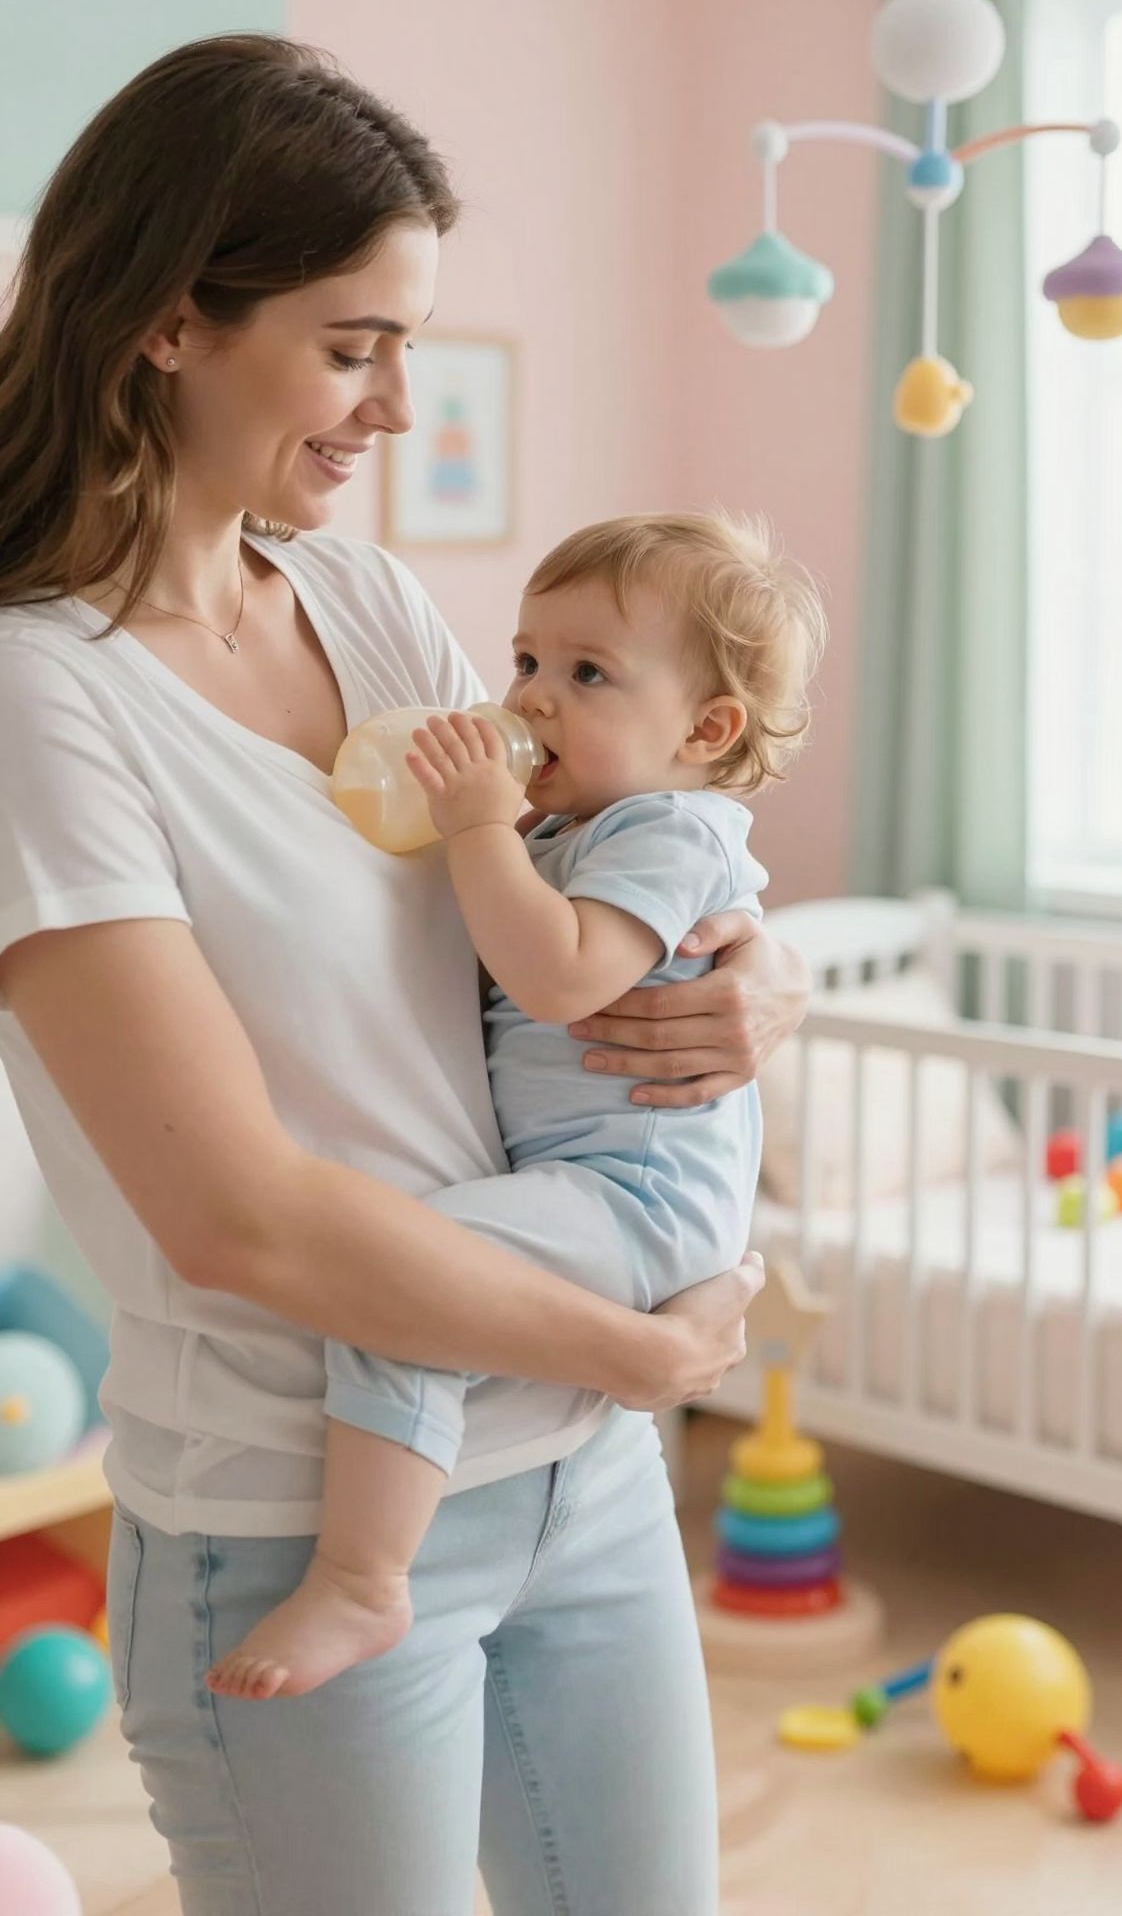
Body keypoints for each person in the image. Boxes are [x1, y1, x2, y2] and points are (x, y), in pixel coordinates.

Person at [0, 35, 810, 1916]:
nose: (392, 404)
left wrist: (753, 970)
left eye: (407, 347)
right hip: (302, 1498)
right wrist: (629, 1347)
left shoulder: (359, 602)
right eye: (352, 343)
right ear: (169, 322)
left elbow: (592, 860)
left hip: (575, 1477)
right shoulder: (42, 696)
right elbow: (239, 1216)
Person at [208, 510, 825, 1703]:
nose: (534, 696)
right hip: (603, 1193)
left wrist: (481, 825)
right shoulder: (577, 828)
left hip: (633, 1198)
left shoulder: (668, 827)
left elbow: (556, 975)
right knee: (415, 1274)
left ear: (705, 729)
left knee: (399, 1282)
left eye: (588, 672)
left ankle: (363, 1571)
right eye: (529, 658)